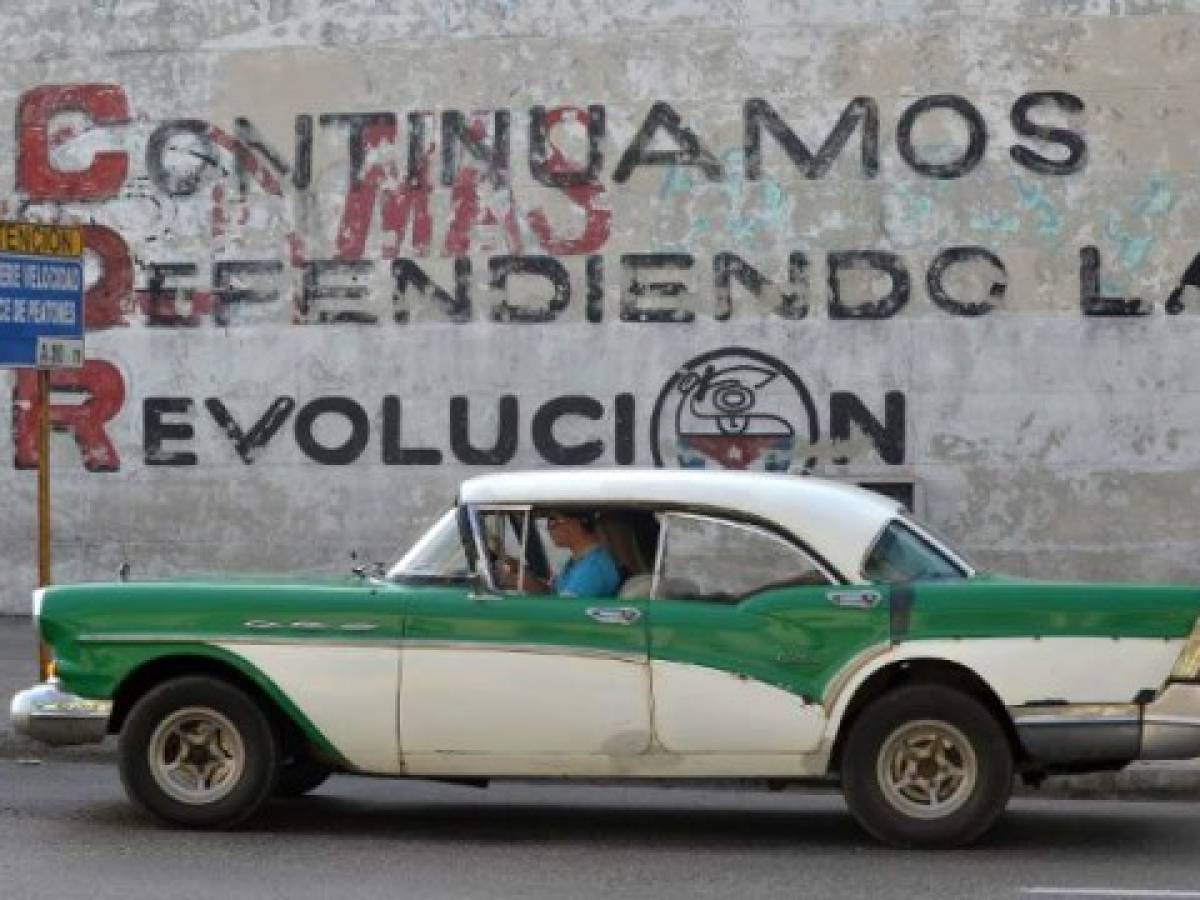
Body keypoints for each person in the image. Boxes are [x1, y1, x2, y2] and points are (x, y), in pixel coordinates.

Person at [501, 511, 622, 598]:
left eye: (553, 520)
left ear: (577, 522)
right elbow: (553, 593)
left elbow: (561, 610)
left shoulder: (593, 568)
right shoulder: (578, 561)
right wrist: (525, 579)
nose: (548, 528)